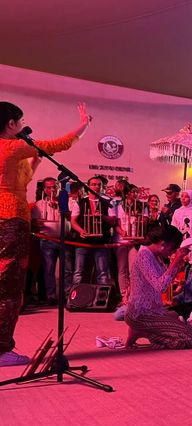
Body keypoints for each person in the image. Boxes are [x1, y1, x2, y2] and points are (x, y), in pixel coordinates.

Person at [0, 101, 91, 366]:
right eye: (20, 120)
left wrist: (35, 160)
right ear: (11, 124)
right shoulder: (12, 146)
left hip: (5, 217)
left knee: (5, 282)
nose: (21, 125)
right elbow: (57, 144)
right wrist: (83, 126)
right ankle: (2, 349)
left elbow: (21, 180)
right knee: (9, 286)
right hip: (11, 218)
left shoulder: (10, 151)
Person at [125, 225, 192, 349]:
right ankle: (144, 333)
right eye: (172, 248)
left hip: (153, 310)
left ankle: (142, 332)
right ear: (163, 243)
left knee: (183, 324)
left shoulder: (155, 256)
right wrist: (175, 261)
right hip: (142, 313)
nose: (172, 251)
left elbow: (165, 279)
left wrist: (178, 263)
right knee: (187, 338)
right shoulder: (144, 256)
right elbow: (161, 286)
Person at [70, 175, 116, 287]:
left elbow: (113, 221)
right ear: (88, 186)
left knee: (103, 272)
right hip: (82, 241)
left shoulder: (108, 202)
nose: (96, 187)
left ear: (103, 187)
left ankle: (102, 298)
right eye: (94, 184)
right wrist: (81, 231)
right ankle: (76, 298)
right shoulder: (80, 202)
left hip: (101, 241)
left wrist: (102, 216)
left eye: (99, 185)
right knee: (79, 271)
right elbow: (73, 221)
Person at [31, 177, 72, 304]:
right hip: (47, 239)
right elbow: (34, 222)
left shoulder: (66, 201)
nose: (52, 189)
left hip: (65, 239)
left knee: (67, 269)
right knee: (49, 269)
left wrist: (60, 206)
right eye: (48, 187)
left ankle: (67, 295)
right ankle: (51, 296)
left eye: (54, 186)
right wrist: (37, 223)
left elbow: (73, 218)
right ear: (44, 189)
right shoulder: (39, 204)